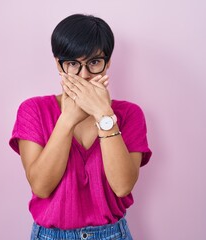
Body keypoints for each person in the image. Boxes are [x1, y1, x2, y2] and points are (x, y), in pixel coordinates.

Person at [9, 14, 152, 240]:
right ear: (59, 64)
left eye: (94, 62)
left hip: (112, 235)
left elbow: (123, 186)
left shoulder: (130, 114)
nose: (84, 75)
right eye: (73, 64)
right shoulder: (33, 110)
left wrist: (103, 114)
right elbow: (41, 187)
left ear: (108, 62)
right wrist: (67, 120)